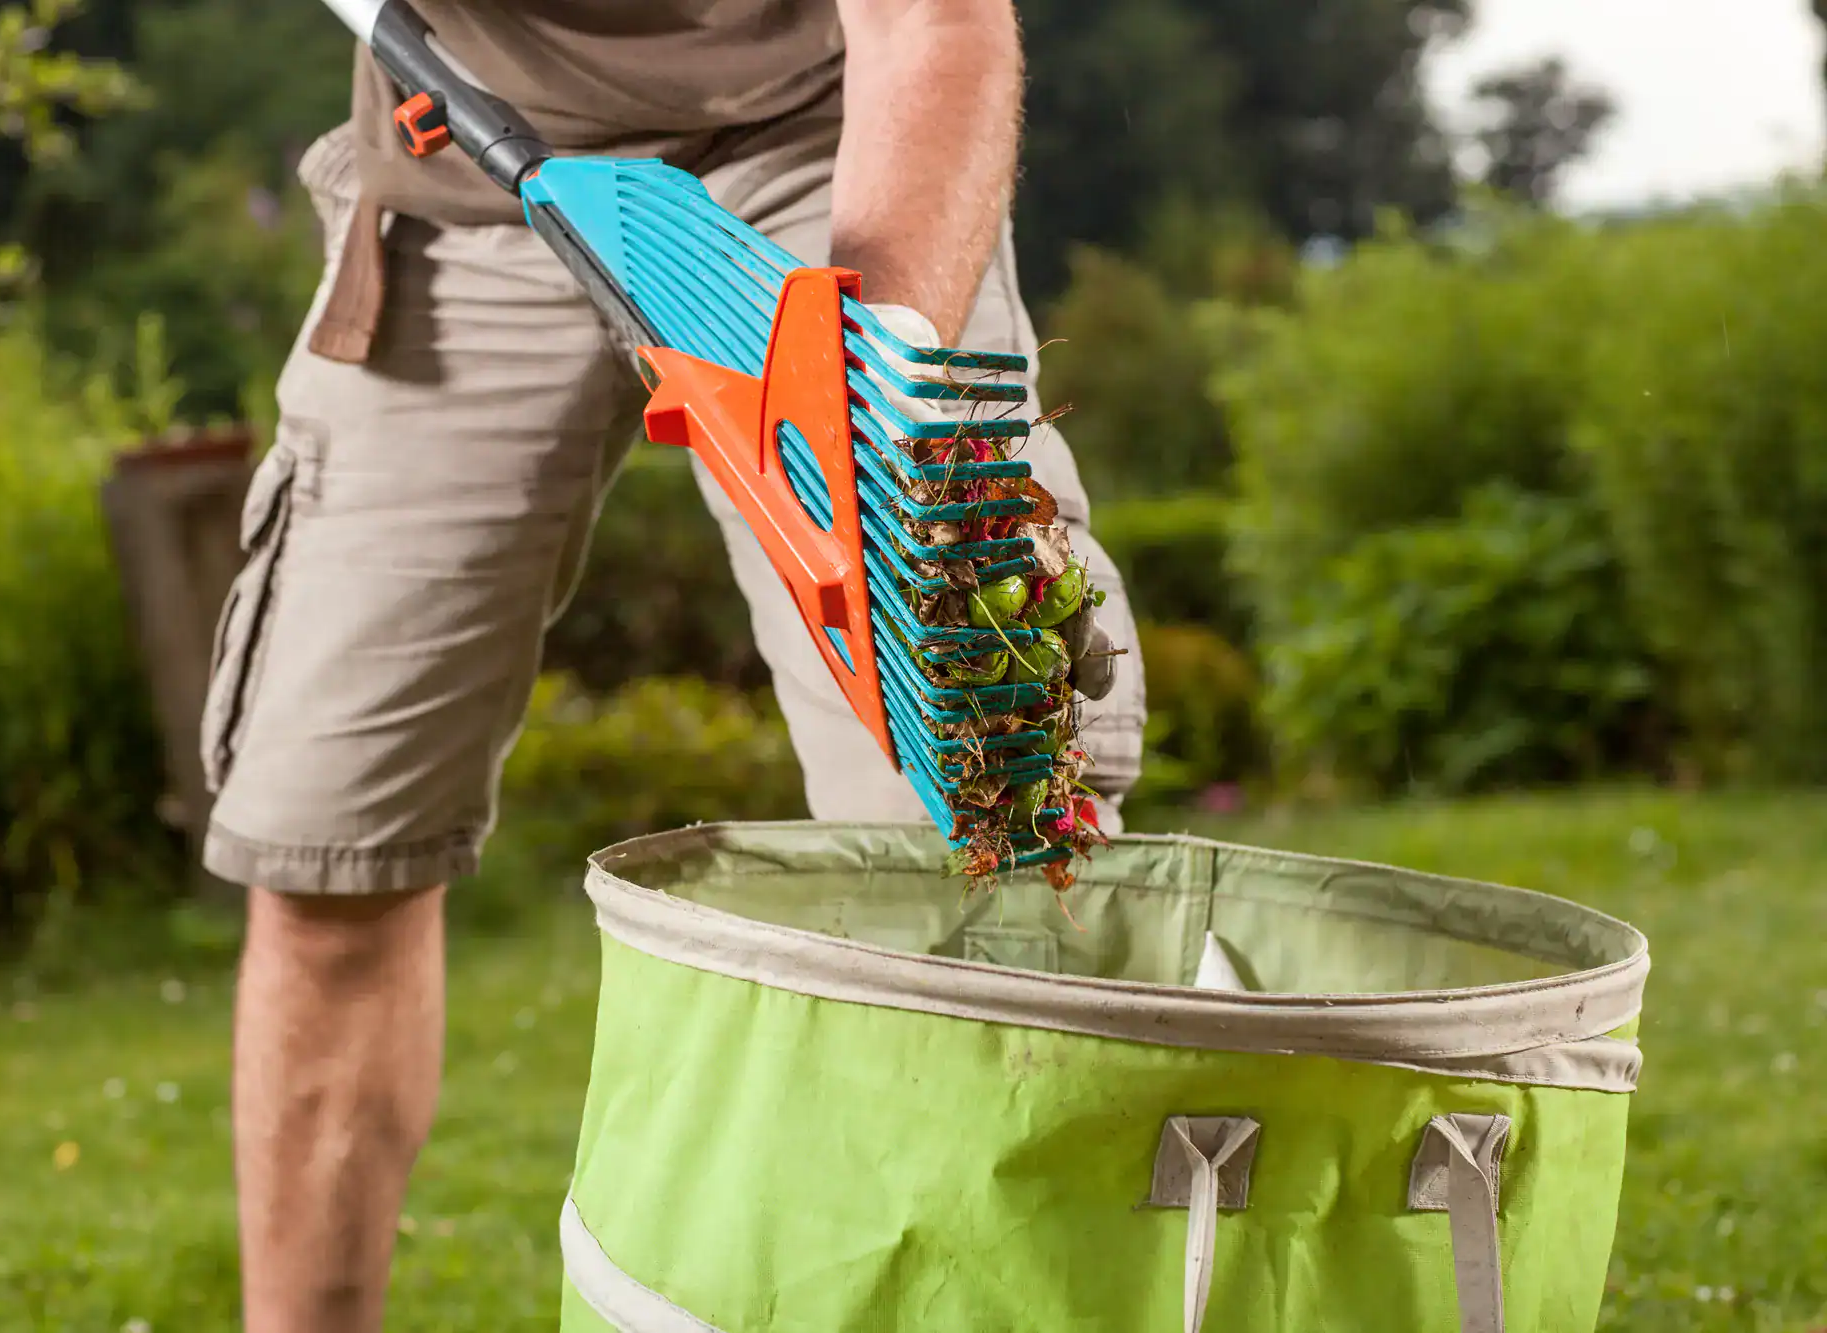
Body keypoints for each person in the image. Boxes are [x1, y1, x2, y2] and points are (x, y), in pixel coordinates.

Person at [199, 0, 1148, 1326]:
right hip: (462, 180)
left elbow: (929, 19)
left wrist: (872, 432)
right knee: (327, 843)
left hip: (823, 146)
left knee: (986, 826)